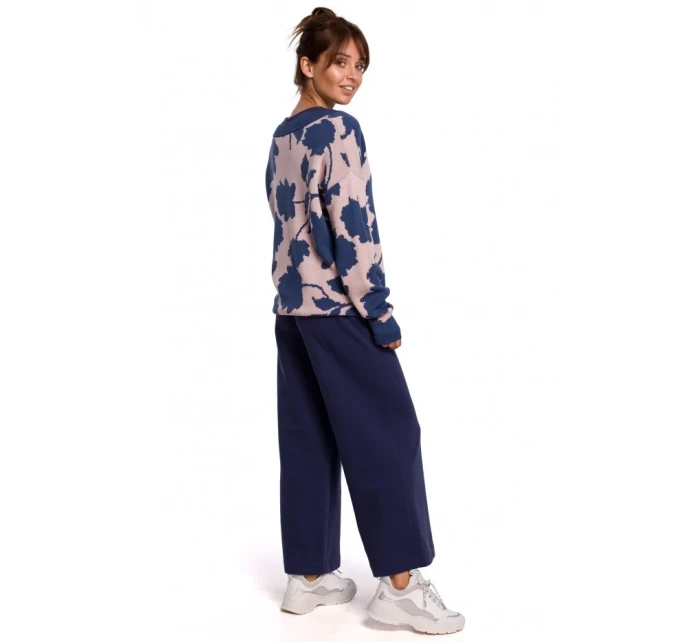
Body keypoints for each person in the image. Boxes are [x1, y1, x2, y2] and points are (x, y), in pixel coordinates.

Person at [264, 7, 465, 635]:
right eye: (340, 63)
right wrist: (377, 311)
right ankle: (400, 588)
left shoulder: (283, 135)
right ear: (308, 65)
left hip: (292, 309)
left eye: (360, 66)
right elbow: (354, 226)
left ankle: (309, 576)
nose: (352, 76)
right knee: (389, 432)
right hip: (338, 308)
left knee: (309, 437)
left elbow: (286, 218)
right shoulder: (338, 130)